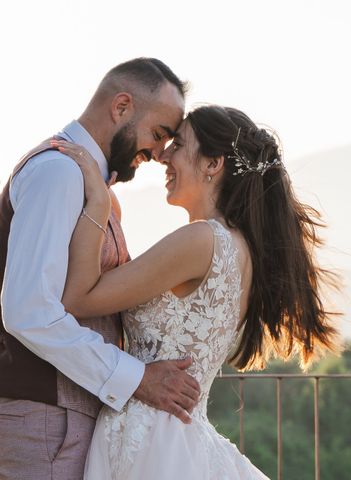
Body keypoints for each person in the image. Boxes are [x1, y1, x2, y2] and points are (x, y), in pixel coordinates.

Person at [53, 104, 340, 479]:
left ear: (212, 164)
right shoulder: (240, 248)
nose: (163, 156)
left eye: (179, 145)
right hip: (178, 436)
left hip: (152, 443)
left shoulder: (201, 240)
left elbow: (78, 299)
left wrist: (97, 203)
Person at [0, 58, 201, 479]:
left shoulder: (89, 184)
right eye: (158, 134)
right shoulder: (57, 173)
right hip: (42, 423)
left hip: (63, 422)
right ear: (122, 106)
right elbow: (28, 310)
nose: (159, 152)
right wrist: (137, 378)